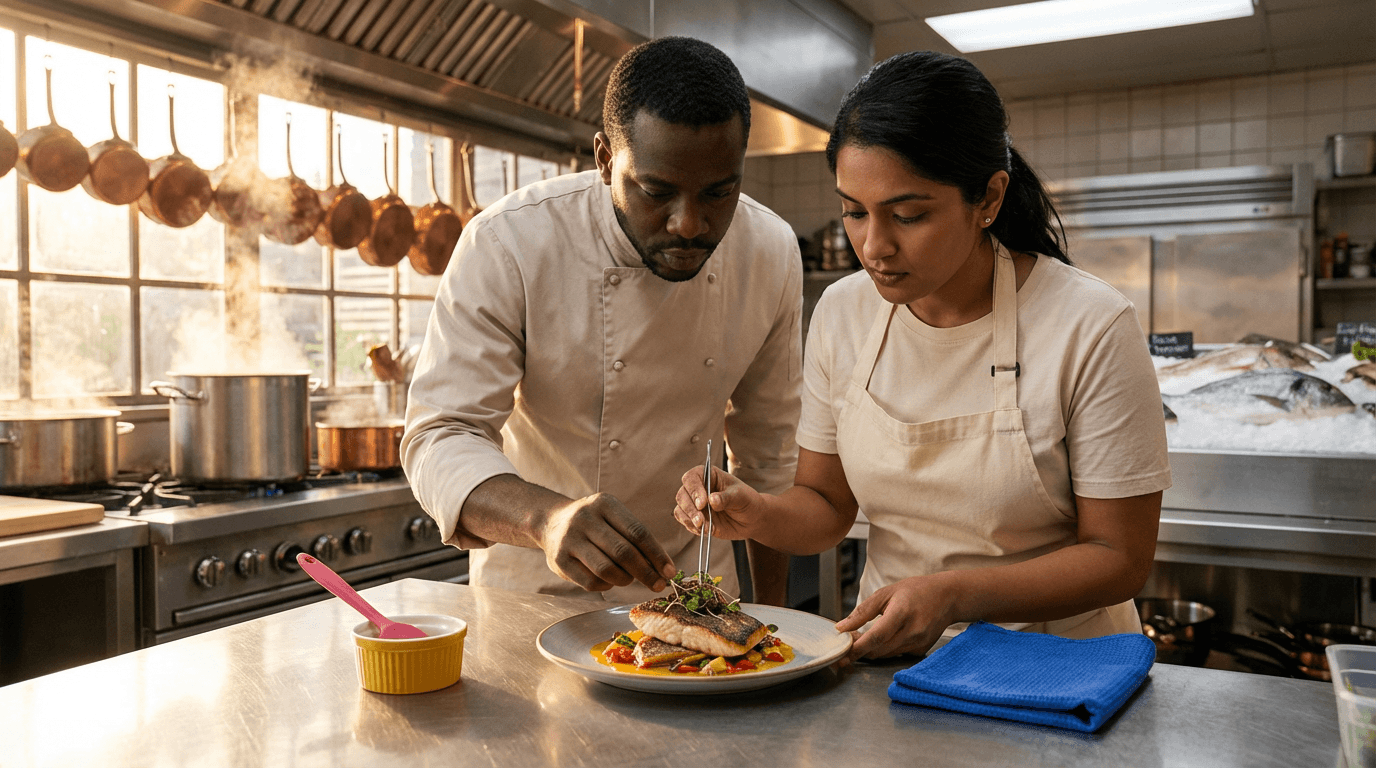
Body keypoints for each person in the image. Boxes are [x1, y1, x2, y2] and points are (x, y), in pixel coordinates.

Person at [673, 51, 1171, 660]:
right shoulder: (843, 312)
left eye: (908, 215)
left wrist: (954, 595)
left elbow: (1119, 558)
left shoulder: (1090, 325)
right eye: (853, 212)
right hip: (895, 661)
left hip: (1058, 668)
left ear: (988, 198)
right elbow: (827, 506)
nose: (873, 246)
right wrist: (756, 512)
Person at [402, 36, 802, 605]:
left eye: (720, 192)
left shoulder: (770, 250)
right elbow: (440, 434)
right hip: (536, 597)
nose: (689, 224)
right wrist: (545, 519)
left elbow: (770, 454)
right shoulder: (510, 242)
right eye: (656, 191)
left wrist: (774, 619)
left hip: (695, 593)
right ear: (605, 158)